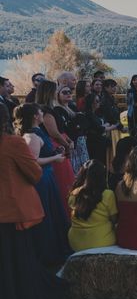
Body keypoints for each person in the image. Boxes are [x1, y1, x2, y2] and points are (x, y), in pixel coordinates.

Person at [0, 104, 65, 299]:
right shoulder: (13, 143)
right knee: (19, 256)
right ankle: (21, 298)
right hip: (12, 208)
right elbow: (34, 173)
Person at [15, 103, 71, 265]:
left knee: (55, 212)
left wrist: (55, 151)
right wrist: (55, 158)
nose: (42, 113)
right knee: (47, 215)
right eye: (40, 111)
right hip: (41, 180)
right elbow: (34, 161)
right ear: (35, 116)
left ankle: (59, 248)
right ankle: (49, 253)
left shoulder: (39, 132)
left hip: (48, 177)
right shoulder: (31, 136)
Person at [35, 80, 75, 214]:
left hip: (62, 141)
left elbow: (61, 130)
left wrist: (68, 139)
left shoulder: (50, 108)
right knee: (63, 181)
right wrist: (66, 144)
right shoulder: (44, 110)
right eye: (55, 90)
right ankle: (64, 213)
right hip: (55, 146)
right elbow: (54, 133)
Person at [68, 160, 118, 252]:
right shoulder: (108, 195)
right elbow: (114, 220)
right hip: (102, 243)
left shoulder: (74, 194)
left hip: (76, 243)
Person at [54, 85, 89, 174]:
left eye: (69, 92)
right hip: (71, 143)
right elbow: (67, 128)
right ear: (58, 95)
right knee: (75, 171)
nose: (68, 94)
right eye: (64, 92)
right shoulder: (57, 110)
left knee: (84, 170)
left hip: (80, 142)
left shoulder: (72, 107)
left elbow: (83, 124)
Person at [84, 92, 118, 164]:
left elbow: (100, 125)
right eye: (97, 101)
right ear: (91, 103)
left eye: (99, 100)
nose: (99, 102)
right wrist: (114, 126)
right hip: (94, 143)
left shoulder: (94, 113)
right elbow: (100, 129)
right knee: (98, 162)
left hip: (99, 141)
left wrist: (107, 125)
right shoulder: (88, 114)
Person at [100, 78, 125, 170]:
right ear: (106, 88)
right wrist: (119, 126)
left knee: (115, 148)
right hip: (110, 128)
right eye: (112, 86)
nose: (114, 88)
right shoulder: (105, 99)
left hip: (115, 126)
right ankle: (111, 168)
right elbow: (109, 115)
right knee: (111, 150)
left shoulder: (111, 98)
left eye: (115, 86)